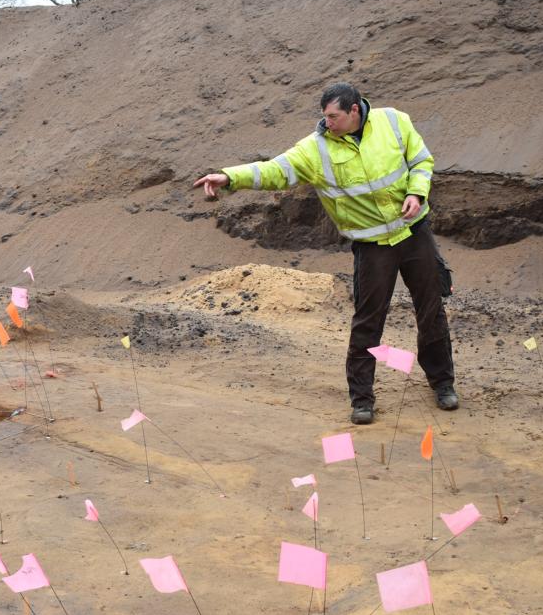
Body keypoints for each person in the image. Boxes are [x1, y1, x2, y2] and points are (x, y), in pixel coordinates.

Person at [194, 82, 457, 425]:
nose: (327, 123)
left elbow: (421, 161)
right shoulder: (314, 149)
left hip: (414, 233)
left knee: (431, 309)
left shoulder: (394, 121)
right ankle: (362, 399)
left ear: (354, 111)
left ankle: (443, 383)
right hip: (373, 246)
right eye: (324, 116)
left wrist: (417, 193)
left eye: (334, 116)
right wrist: (230, 177)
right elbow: (274, 170)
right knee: (367, 324)